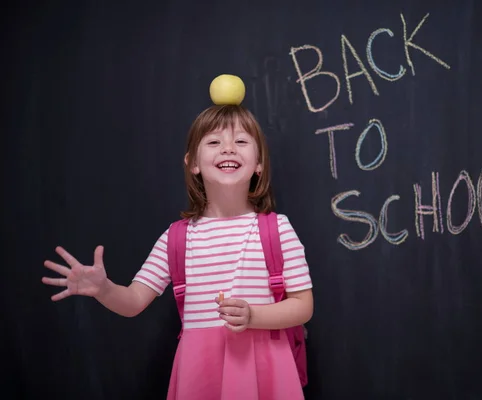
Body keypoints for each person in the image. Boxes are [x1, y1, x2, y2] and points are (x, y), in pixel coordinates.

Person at [42, 103, 314, 400]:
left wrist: (253, 316)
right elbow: (133, 302)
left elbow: (302, 306)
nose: (228, 149)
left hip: (264, 370)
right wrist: (103, 289)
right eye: (213, 142)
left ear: (259, 162)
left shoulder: (278, 229)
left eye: (241, 141)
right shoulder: (176, 238)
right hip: (199, 373)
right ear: (192, 162)